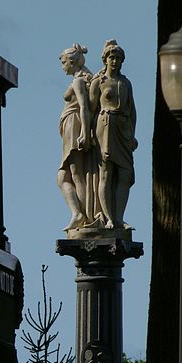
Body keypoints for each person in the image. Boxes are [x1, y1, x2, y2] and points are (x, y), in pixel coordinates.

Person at [90, 40, 138, 229]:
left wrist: (132, 134)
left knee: (125, 174)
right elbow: (90, 110)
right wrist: (88, 134)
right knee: (106, 173)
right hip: (105, 126)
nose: (115, 61)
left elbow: (132, 110)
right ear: (105, 59)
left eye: (118, 58)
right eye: (112, 57)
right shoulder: (99, 82)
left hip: (123, 128)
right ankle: (109, 218)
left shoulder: (125, 83)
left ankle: (119, 217)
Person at [57, 44, 94, 231]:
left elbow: (84, 107)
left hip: (74, 126)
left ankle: (83, 216)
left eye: (63, 62)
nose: (62, 65)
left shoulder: (79, 81)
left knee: (75, 174)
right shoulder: (83, 78)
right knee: (64, 176)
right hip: (71, 126)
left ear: (71, 61)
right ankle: (80, 213)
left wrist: (84, 133)